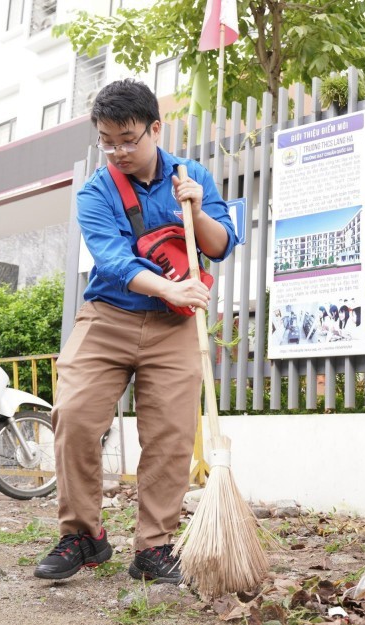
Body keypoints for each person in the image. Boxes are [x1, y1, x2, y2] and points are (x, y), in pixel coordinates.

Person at [33, 79, 238, 584]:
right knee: (74, 414)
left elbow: (220, 244)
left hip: (174, 328)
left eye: (128, 138)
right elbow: (114, 260)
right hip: (109, 316)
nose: (118, 150)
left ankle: (154, 547)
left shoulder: (193, 176)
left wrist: (195, 208)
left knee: (168, 435)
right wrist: (170, 289)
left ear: (154, 129)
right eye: (107, 140)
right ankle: (83, 534)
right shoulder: (96, 192)